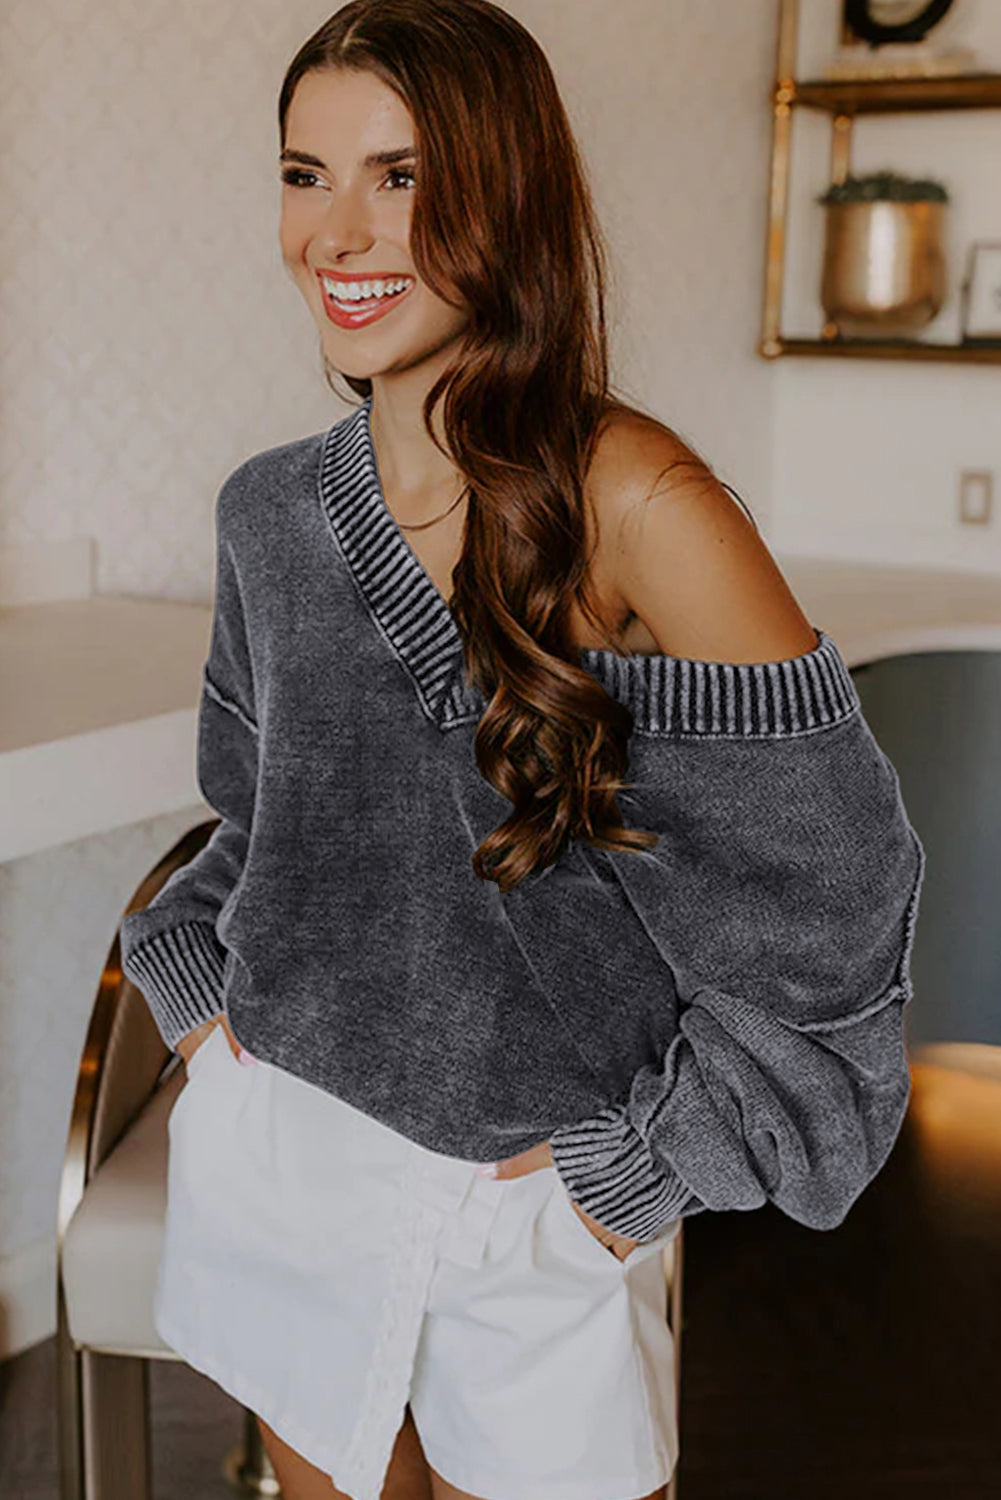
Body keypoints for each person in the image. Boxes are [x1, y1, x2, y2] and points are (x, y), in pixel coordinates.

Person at [119, 3, 926, 1498]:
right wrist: (200, 1005)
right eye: (304, 175)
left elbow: (835, 902)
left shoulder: (642, 506)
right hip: (285, 1142)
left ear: (507, 193)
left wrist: (635, 1178)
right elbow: (255, 815)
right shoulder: (269, 513)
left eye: (401, 177)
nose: (337, 235)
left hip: (528, 1204)